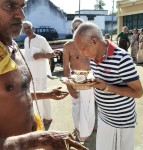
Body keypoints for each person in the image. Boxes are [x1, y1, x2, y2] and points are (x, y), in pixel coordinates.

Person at [0, 0, 87, 149]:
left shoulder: (11, 44)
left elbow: (13, 93)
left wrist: (45, 94)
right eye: (9, 5)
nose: (21, 15)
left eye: (22, 6)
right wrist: (41, 139)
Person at [73, 22, 143, 150]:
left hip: (122, 120)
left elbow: (138, 92)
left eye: (83, 48)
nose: (82, 53)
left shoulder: (122, 58)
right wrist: (89, 83)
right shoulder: (93, 58)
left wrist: (107, 87)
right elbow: (101, 79)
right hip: (104, 117)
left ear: (94, 41)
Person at [63, 18, 95, 142]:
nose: (79, 30)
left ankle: (89, 128)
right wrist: (69, 87)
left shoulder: (91, 43)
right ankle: (79, 129)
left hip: (90, 78)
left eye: (82, 28)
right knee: (77, 106)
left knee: (89, 106)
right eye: (76, 28)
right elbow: (66, 68)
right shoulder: (68, 46)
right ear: (72, 30)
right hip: (75, 80)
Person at [23, 21, 53, 125]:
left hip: (40, 73)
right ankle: (38, 117)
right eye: (24, 29)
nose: (27, 30)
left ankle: (48, 117)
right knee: (34, 96)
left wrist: (41, 55)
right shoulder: (26, 40)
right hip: (30, 74)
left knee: (43, 94)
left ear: (33, 28)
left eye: (28, 28)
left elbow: (51, 54)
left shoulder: (41, 39)